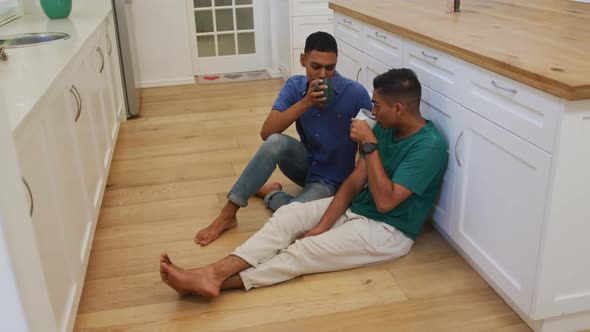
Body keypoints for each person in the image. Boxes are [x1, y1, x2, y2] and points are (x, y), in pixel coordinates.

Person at [161, 68, 449, 297]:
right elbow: (353, 182)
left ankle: (217, 282)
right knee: (290, 216)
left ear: (398, 108)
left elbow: (386, 202)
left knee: (303, 252)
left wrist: (369, 145)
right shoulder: (388, 127)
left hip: (388, 231)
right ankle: (212, 273)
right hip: (358, 210)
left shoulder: (429, 147)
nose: (372, 111)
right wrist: (321, 226)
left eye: (377, 105)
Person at [194, 31, 372, 246]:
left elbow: (371, 148)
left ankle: (271, 195)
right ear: (303, 60)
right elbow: (267, 133)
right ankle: (228, 214)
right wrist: (305, 103)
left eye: (330, 68)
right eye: (316, 67)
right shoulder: (295, 86)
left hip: (331, 182)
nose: (323, 74)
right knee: (275, 142)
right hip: (305, 165)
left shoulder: (356, 94)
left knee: (290, 219)